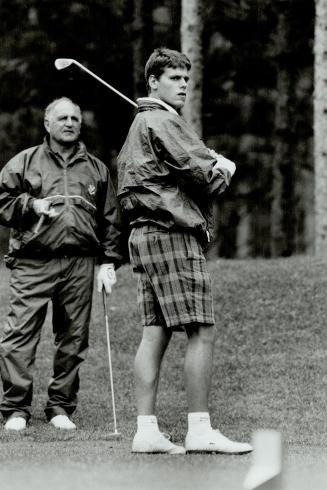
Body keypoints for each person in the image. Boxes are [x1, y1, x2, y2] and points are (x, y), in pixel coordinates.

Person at [117, 48, 252, 454]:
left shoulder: (140, 124)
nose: (183, 86)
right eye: (174, 78)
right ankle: (199, 430)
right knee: (201, 330)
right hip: (171, 232)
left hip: (143, 236)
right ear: (153, 82)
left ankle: (146, 431)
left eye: (186, 79)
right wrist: (223, 168)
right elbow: (204, 178)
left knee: (155, 330)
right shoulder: (161, 120)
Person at [0, 97, 123, 431]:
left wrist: (108, 262)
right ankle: (15, 409)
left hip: (80, 264)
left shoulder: (96, 168)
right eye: (62, 118)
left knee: (73, 338)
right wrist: (31, 204)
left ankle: (60, 408)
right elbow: (2, 202)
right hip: (33, 262)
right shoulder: (24, 162)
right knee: (19, 335)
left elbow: (110, 219)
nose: (69, 123)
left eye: (75, 119)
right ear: (47, 124)